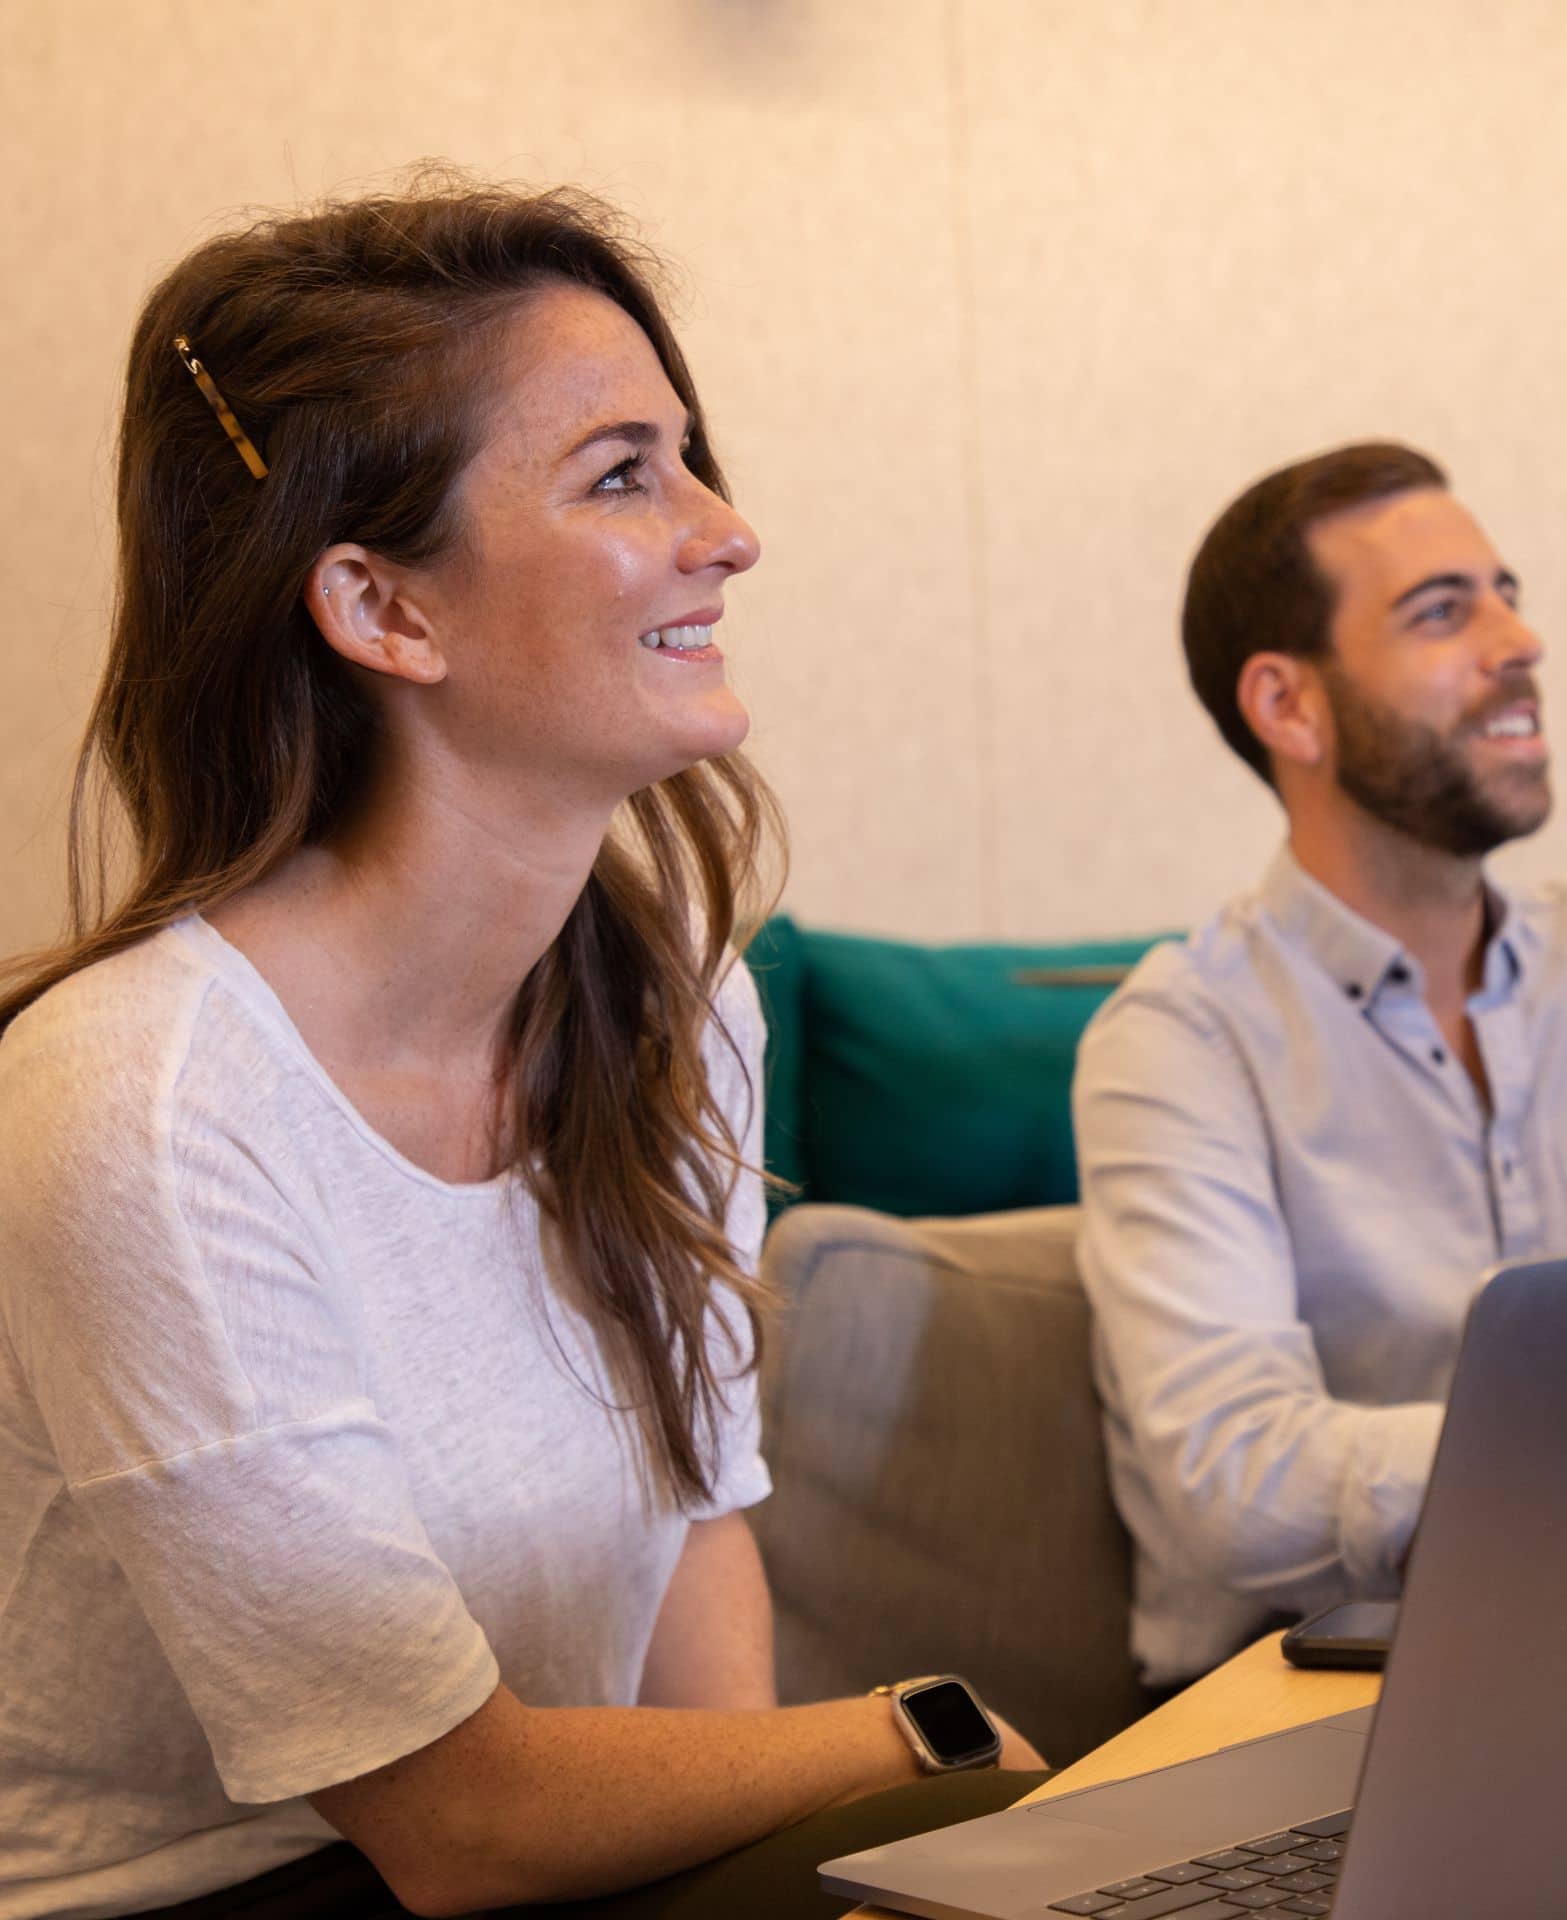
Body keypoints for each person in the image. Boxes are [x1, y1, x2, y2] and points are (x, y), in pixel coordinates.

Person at [0, 181, 1039, 1920]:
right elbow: (457, 1820)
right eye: (625, 472)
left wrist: (809, 1874)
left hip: (564, 1872)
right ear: (383, 610)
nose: (728, 531)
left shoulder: (677, 996)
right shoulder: (141, 1108)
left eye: (690, 457)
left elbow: (700, 1524)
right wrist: (903, 1746)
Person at [1072, 441, 1567, 1688]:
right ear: (1290, 706)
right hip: (1329, 1697)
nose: (1519, 641)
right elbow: (1233, 1483)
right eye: (1444, 613)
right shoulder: (1180, 1036)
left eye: (1508, 593)